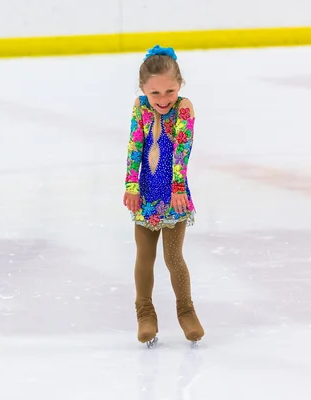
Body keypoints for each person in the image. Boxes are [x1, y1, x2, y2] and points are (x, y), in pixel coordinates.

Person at [122, 45, 204, 346]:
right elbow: (135, 147)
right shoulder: (140, 108)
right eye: (154, 93)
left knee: (173, 258)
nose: (163, 99)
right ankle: (145, 313)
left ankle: (186, 311)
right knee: (144, 257)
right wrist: (131, 184)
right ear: (143, 89)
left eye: (169, 91)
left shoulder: (184, 108)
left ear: (179, 84)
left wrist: (179, 188)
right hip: (145, 195)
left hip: (174, 195)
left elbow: (182, 151)